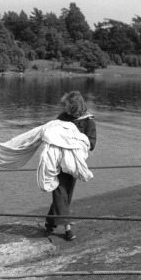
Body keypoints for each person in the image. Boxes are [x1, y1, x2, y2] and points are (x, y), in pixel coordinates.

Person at [45, 91, 97, 241]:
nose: (65, 108)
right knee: (59, 191)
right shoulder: (62, 118)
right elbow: (51, 134)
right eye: (65, 106)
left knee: (66, 194)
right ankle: (67, 227)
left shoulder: (88, 121)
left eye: (68, 106)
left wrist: (75, 141)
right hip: (58, 162)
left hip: (75, 163)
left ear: (75, 106)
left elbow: (91, 143)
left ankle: (50, 222)